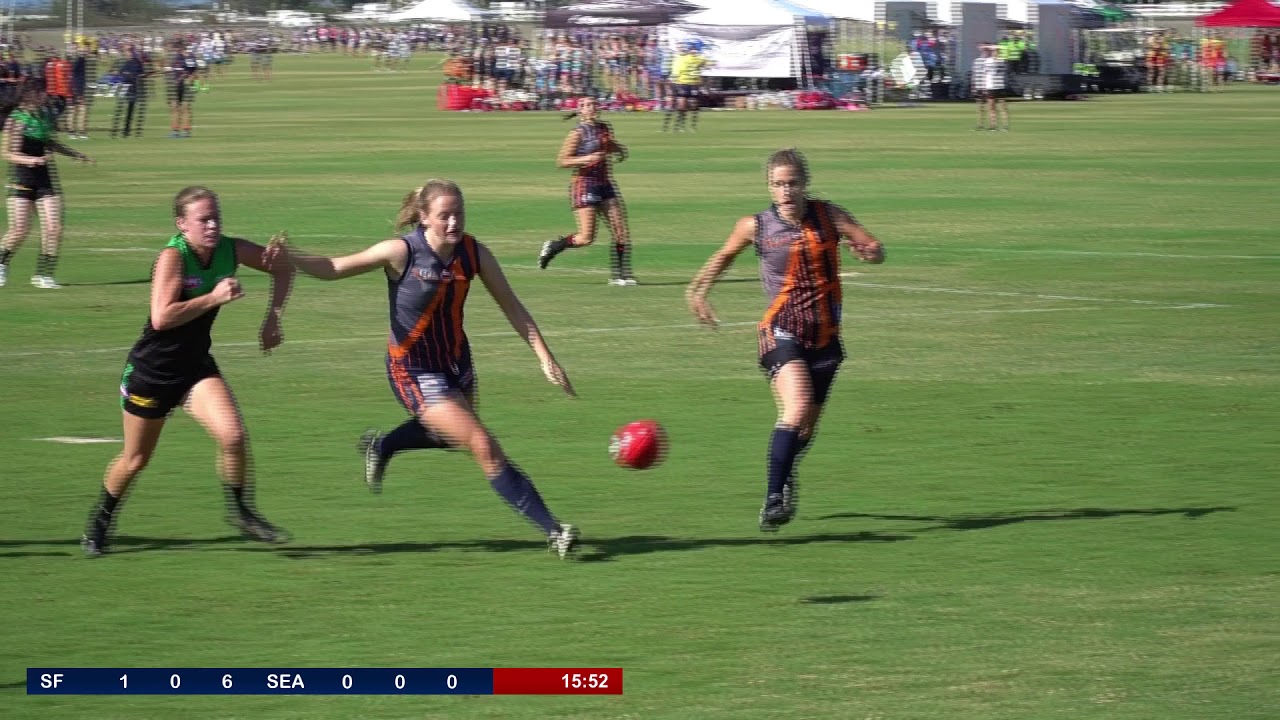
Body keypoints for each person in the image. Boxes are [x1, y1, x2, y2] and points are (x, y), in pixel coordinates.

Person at [270, 179, 583, 558]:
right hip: (413, 369)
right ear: (424, 217)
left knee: (452, 438)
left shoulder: (473, 253)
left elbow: (512, 306)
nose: (454, 222)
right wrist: (292, 256)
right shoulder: (401, 252)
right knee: (482, 444)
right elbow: (335, 267)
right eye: (444, 215)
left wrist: (545, 357)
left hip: (455, 361)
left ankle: (383, 446)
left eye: (459, 214)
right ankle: (555, 531)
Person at [81, 186, 295, 557]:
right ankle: (101, 519)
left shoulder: (230, 250)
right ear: (182, 224)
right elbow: (161, 317)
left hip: (195, 366)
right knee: (136, 459)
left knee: (233, 436)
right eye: (204, 220)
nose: (213, 226)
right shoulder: (172, 257)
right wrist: (214, 297)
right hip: (153, 371)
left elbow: (283, 267)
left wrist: (273, 318)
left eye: (217, 218)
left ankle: (241, 511)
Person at [685, 149, 885, 531]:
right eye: (778, 184)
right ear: (769, 187)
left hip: (826, 335)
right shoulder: (756, 225)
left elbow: (874, 248)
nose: (786, 191)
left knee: (806, 428)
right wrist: (698, 291)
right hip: (780, 329)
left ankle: (787, 470)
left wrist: (872, 253)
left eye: (792, 183)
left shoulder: (830, 216)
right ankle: (774, 498)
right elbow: (725, 255)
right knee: (797, 407)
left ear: (805, 184)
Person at [0, 81, 93, 289]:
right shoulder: (15, 120)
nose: (45, 96)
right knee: (19, 230)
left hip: (45, 179)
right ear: (29, 94)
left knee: (54, 228)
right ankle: (1, 263)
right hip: (21, 179)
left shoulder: (44, 116)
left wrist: (76, 154)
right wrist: (30, 160)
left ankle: (44, 275)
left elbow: (50, 143)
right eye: (42, 92)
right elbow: (7, 153)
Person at [538, 96, 635, 286]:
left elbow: (607, 145)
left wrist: (619, 149)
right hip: (584, 185)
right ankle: (554, 246)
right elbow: (562, 161)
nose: (592, 107)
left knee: (621, 231)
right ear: (580, 111)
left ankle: (620, 276)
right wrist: (586, 159)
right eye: (587, 105)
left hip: (605, 184)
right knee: (586, 238)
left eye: (593, 104)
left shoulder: (604, 127)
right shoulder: (576, 133)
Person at [664, 40, 710, 133]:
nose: (694, 52)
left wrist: (705, 67)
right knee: (681, 105)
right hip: (682, 83)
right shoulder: (682, 59)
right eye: (692, 50)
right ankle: (678, 126)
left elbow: (707, 64)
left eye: (695, 50)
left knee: (694, 105)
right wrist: (672, 84)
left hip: (694, 85)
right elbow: (675, 73)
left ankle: (693, 126)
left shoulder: (700, 58)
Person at [971, 44, 1009, 132]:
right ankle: (993, 126)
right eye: (994, 52)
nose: (995, 53)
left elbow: (1004, 48)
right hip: (990, 87)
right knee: (991, 107)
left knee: (1003, 107)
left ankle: (1005, 126)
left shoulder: (1002, 60)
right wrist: (984, 86)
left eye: (996, 51)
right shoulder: (987, 61)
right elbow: (985, 74)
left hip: (1000, 86)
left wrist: (993, 47)